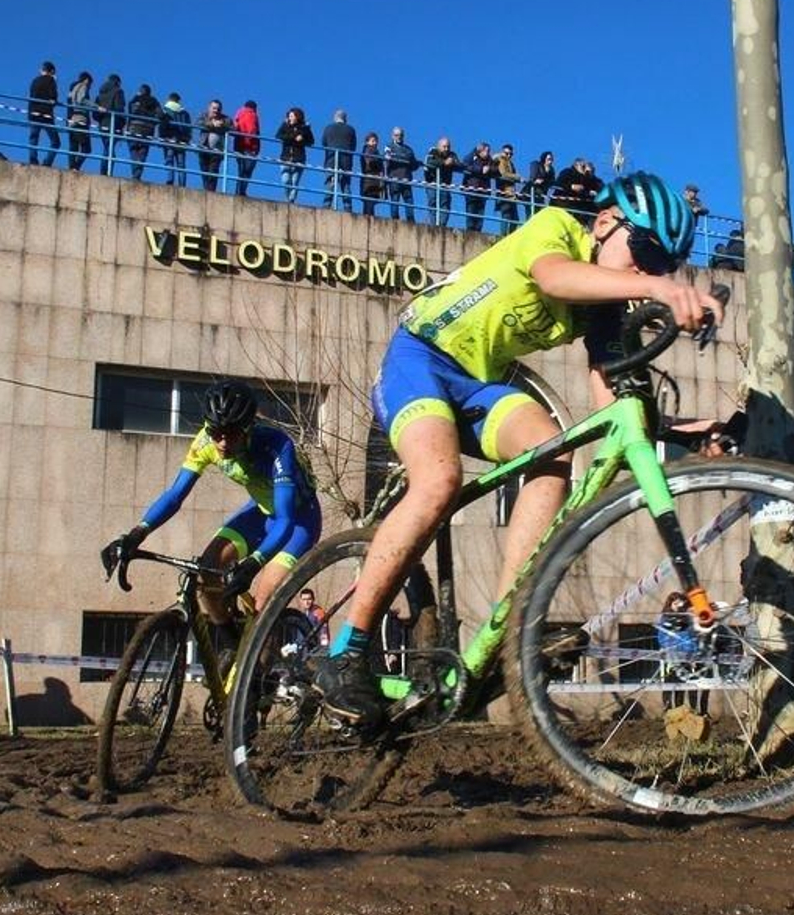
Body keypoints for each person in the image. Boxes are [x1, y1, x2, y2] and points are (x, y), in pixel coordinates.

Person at [313, 172, 720, 732]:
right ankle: (347, 651)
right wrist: (659, 290)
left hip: (480, 385)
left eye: (662, 266)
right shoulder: (555, 230)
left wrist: (684, 431)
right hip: (420, 360)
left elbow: (614, 405)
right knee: (438, 482)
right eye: (646, 252)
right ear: (604, 223)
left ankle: (508, 627)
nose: (649, 272)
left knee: (552, 453)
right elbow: (554, 277)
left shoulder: (600, 307)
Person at [103, 380, 323, 665]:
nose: (221, 443)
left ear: (248, 429)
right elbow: (174, 496)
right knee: (207, 574)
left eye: (231, 434)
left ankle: (259, 678)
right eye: (215, 432)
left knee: (263, 600)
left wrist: (254, 563)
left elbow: (285, 519)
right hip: (259, 513)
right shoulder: (206, 442)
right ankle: (233, 645)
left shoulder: (277, 447)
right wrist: (136, 533)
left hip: (297, 522)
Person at [320, 109, 357, 211]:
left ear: (335, 117)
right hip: (346, 161)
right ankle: (348, 207)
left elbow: (324, 143)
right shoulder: (351, 130)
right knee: (345, 184)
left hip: (331, 159)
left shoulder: (328, 128)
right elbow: (353, 147)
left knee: (330, 183)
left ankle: (327, 205)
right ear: (345, 119)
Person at [276, 107, 313, 203]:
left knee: (294, 182)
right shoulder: (285, 125)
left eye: (292, 116)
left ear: (297, 117)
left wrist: (303, 137)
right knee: (285, 180)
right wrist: (293, 137)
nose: (290, 118)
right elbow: (278, 135)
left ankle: (291, 200)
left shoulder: (304, 128)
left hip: (299, 158)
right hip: (285, 157)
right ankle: (287, 198)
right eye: (289, 116)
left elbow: (311, 141)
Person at [125, 83, 161, 181]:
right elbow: (160, 114)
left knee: (133, 150)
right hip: (148, 129)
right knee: (142, 152)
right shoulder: (154, 101)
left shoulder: (135, 99)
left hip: (134, 127)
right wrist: (153, 123)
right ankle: (137, 175)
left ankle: (135, 173)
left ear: (140, 91)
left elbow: (130, 111)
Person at [423, 136, 462, 226]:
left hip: (445, 185)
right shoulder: (432, 152)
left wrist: (453, 163)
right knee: (433, 204)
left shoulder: (452, 155)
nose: (446, 149)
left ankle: (442, 225)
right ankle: (433, 225)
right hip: (432, 183)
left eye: (448, 147)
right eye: (444, 147)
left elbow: (460, 165)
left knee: (445, 206)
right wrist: (443, 163)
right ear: (438, 146)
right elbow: (429, 162)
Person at [28, 61, 60, 167]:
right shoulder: (51, 80)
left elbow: (31, 96)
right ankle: (47, 162)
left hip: (33, 113)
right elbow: (53, 97)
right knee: (55, 142)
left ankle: (33, 159)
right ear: (52, 71)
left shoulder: (34, 81)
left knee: (34, 138)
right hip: (46, 115)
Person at [383, 127, 418, 222]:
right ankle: (395, 222)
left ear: (403, 136)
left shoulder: (408, 150)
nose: (399, 137)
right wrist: (386, 176)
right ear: (392, 136)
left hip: (406, 180)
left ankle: (411, 222)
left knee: (409, 202)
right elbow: (385, 162)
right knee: (394, 201)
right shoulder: (389, 147)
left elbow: (414, 165)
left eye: (401, 135)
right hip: (394, 180)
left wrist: (417, 163)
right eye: (396, 135)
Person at [94, 74, 126, 175]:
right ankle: (106, 172)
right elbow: (119, 109)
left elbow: (95, 112)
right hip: (113, 123)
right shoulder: (118, 91)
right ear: (117, 82)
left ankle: (104, 171)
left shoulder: (100, 93)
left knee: (107, 147)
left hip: (102, 123)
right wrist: (122, 123)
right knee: (109, 150)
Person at [199, 99, 233, 192]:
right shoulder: (204, 116)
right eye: (214, 108)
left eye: (218, 109)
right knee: (204, 170)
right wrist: (211, 124)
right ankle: (206, 189)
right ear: (209, 108)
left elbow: (233, 129)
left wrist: (222, 125)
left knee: (213, 171)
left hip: (217, 150)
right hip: (203, 148)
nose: (216, 111)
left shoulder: (226, 119)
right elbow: (198, 123)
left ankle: (211, 190)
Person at [461, 143, 496, 232]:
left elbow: (496, 170)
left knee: (480, 213)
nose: (488, 153)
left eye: (489, 151)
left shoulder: (489, 160)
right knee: (471, 211)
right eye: (486, 151)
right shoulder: (471, 157)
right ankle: (470, 231)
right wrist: (480, 169)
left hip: (483, 191)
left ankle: (478, 231)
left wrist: (489, 169)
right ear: (480, 150)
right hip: (471, 189)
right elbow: (465, 165)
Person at [159, 92, 192, 187]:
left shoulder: (165, 110)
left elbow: (162, 125)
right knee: (181, 163)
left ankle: (170, 180)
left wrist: (162, 137)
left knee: (169, 160)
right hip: (181, 140)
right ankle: (182, 183)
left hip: (168, 138)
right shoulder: (184, 112)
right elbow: (188, 127)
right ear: (178, 100)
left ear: (169, 99)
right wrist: (187, 139)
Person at [65, 71, 94, 171]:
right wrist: (96, 106)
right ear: (86, 80)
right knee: (87, 148)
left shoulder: (72, 89)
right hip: (80, 120)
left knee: (73, 146)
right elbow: (82, 100)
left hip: (71, 120)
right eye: (90, 84)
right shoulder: (82, 86)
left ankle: (71, 168)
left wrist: (68, 119)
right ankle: (75, 167)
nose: (90, 87)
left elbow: (69, 105)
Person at [230, 100, 259, 195]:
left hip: (238, 145)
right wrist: (254, 146)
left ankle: (238, 191)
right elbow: (252, 129)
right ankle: (241, 191)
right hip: (249, 147)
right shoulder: (252, 114)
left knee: (241, 170)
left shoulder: (238, 115)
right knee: (247, 171)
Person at [494, 144, 521, 234]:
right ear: (502, 152)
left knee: (515, 218)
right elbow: (504, 173)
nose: (508, 155)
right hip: (504, 192)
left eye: (511, 154)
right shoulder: (500, 160)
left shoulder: (510, 163)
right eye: (507, 153)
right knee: (506, 215)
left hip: (511, 193)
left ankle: (509, 237)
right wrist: (517, 177)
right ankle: (503, 237)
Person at [358, 132, 386, 217]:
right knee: (369, 203)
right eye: (373, 141)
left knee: (370, 203)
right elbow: (370, 162)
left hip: (372, 181)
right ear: (367, 142)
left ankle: (368, 218)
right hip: (370, 181)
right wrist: (381, 159)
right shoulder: (368, 150)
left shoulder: (373, 151)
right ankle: (368, 220)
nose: (375, 143)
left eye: (376, 141)